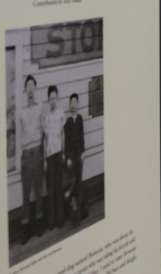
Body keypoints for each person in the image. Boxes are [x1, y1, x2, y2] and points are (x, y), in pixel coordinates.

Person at [17, 75, 44, 242]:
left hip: (38, 152)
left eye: (33, 86)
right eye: (28, 86)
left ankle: (39, 224)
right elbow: (19, 135)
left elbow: (43, 130)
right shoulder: (21, 111)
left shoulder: (40, 107)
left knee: (39, 192)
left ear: (35, 88)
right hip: (26, 154)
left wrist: (43, 154)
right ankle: (25, 229)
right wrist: (19, 159)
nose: (30, 89)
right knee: (26, 193)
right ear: (25, 89)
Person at [42, 85, 66, 230]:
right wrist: (44, 159)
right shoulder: (46, 117)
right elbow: (44, 140)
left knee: (59, 186)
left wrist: (63, 152)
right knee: (50, 189)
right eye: (50, 98)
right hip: (50, 156)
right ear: (48, 99)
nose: (52, 101)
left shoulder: (61, 114)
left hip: (59, 155)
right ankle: (51, 222)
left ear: (57, 98)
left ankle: (60, 219)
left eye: (54, 98)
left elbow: (63, 134)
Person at [63, 93, 86, 225]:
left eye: (75, 102)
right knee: (72, 182)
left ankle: (80, 212)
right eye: (71, 102)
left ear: (77, 104)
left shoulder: (80, 119)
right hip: (71, 156)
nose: (73, 104)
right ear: (69, 104)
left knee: (79, 182)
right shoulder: (68, 121)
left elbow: (82, 136)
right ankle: (73, 212)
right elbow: (66, 141)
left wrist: (83, 152)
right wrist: (67, 157)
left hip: (79, 154)